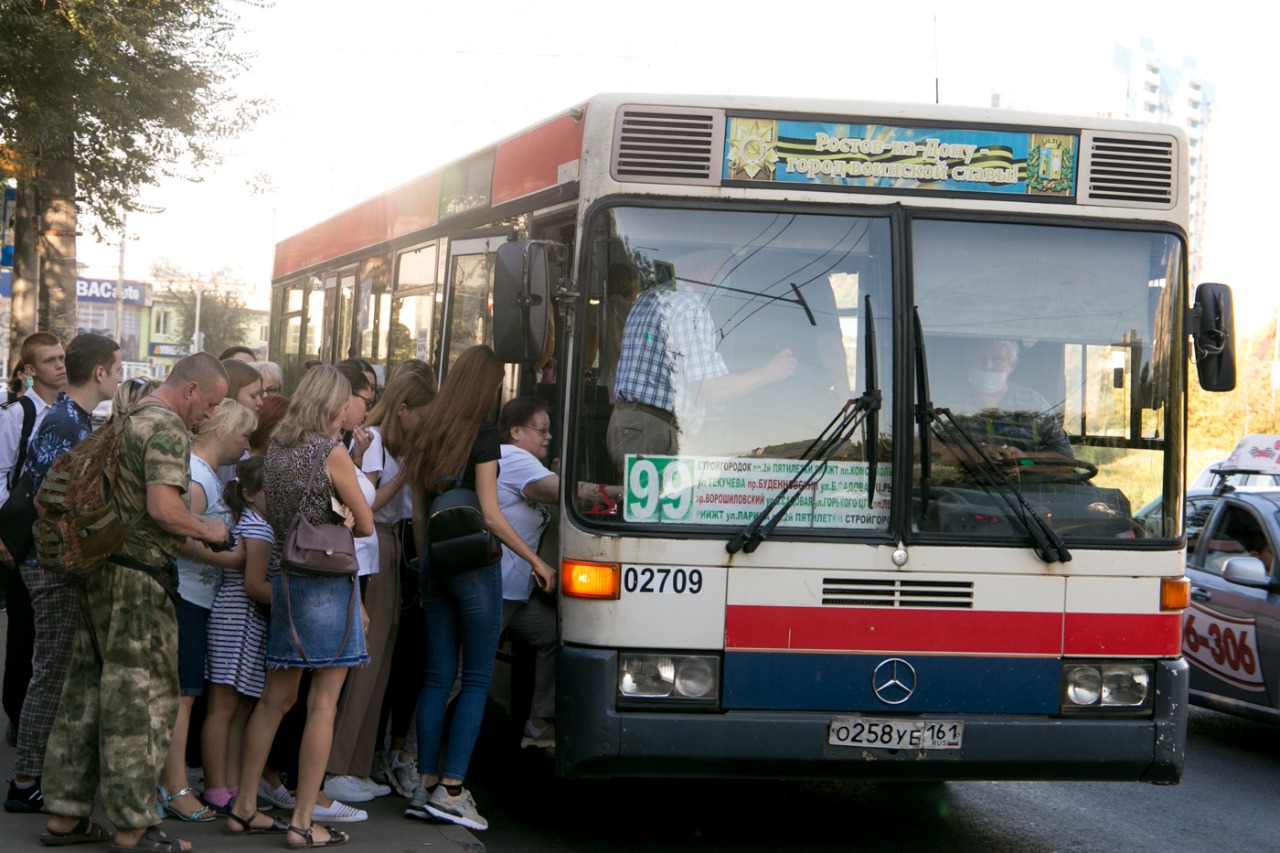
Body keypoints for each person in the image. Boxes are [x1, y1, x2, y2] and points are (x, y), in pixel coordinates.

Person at [40, 353, 229, 853]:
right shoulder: (165, 429)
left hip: (99, 571)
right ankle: (133, 826)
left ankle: (65, 815)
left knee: (84, 693)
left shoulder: (126, 417)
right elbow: (165, 508)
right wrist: (208, 529)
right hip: (140, 584)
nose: (208, 416)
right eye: (208, 404)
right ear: (189, 390)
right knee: (139, 702)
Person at [403, 345, 555, 831]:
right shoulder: (483, 435)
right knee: (475, 679)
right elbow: (490, 514)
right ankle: (451, 789)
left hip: (435, 569)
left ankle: (422, 784)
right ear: (488, 387)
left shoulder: (426, 430)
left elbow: (420, 513)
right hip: (475, 569)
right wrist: (534, 559)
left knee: (436, 675)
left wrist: (426, 568)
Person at [227, 365, 373, 848]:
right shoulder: (331, 452)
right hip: (329, 587)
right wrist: (346, 517)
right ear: (332, 404)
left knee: (275, 699)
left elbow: (281, 514)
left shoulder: (279, 452)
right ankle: (303, 821)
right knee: (323, 704)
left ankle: (244, 806)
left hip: (288, 581)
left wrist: (333, 513)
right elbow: (367, 524)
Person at [4, 334, 121, 814]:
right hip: (49, 565)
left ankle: (39, 773)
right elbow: (47, 501)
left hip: (53, 562)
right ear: (99, 372)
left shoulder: (73, 419)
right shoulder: (63, 422)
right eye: (115, 367)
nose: (118, 375)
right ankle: (26, 780)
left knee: (56, 669)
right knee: (50, 671)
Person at [333, 368, 437, 800]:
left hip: (389, 548)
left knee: (380, 663)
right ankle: (339, 766)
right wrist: (407, 473)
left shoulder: (387, 442)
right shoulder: (373, 441)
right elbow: (369, 502)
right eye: (422, 415)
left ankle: (356, 763)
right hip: (376, 544)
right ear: (403, 409)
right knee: (365, 663)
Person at [159, 400, 257, 822]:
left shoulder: (206, 475)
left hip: (196, 596)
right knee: (181, 697)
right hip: (187, 597)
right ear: (221, 431)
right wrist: (231, 561)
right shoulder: (198, 476)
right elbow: (178, 537)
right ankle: (175, 787)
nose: (247, 444)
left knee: (185, 695)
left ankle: (175, 784)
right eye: (244, 434)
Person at [607, 260, 796, 467]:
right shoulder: (689, 307)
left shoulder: (647, 298)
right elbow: (713, 390)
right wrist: (769, 371)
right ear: (705, 268)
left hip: (626, 427)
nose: (725, 280)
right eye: (725, 270)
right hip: (653, 433)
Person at [0, 332, 67, 747]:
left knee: (49, 632)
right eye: (49, 361)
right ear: (29, 370)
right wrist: (3, 534)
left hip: (52, 534)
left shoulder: (67, 410)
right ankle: (17, 715)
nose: (59, 365)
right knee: (24, 629)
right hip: (20, 533)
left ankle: (40, 715)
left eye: (62, 357)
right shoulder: (17, 414)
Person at [200, 455, 271, 816]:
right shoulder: (258, 527)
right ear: (249, 493)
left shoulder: (255, 522)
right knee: (224, 707)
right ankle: (216, 786)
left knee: (237, 707)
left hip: (242, 621)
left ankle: (229, 786)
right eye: (270, 490)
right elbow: (255, 586)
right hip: (236, 620)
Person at [495, 397, 560, 749]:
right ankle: (411, 754)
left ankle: (538, 721)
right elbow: (564, 494)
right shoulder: (515, 457)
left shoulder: (523, 461)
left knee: (551, 633)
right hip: (498, 588)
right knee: (460, 676)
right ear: (516, 432)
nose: (548, 437)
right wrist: (624, 492)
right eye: (542, 429)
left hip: (516, 592)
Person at [942, 338, 1072, 460]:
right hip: (960, 483)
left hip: (1024, 482)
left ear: (1012, 364)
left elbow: (1064, 459)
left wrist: (1025, 461)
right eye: (979, 358)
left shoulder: (1034, 404)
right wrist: (970, 453)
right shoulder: (945, 400)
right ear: (967, 361)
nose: (987, 366)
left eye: (997, 360)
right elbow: (923, 446)